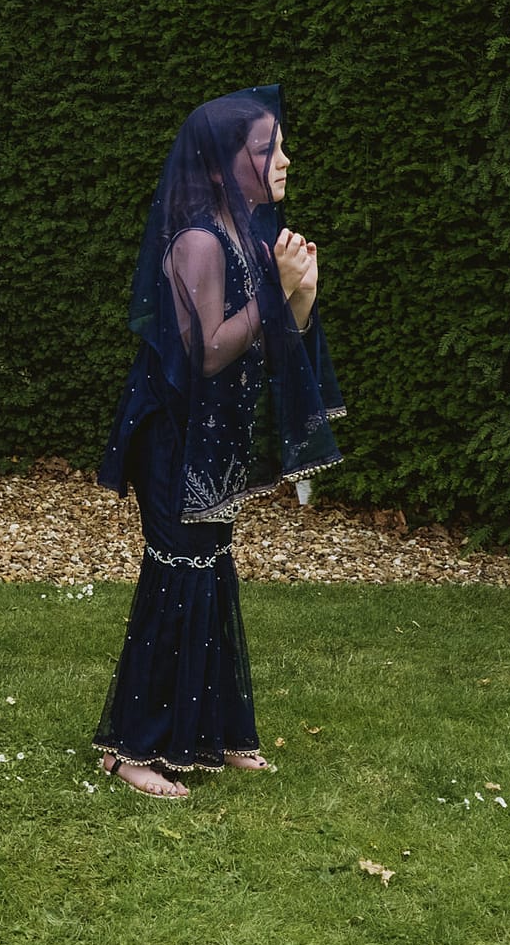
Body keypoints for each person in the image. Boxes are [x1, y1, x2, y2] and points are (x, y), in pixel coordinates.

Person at [94, 86, 345, 799]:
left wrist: (298, 291)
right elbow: (206, 354)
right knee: (177, 575)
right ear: (217, 166)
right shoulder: (202, 242)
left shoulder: (248, 233)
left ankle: (217, 733)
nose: (284, 160)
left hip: (212, 432)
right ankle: (130, 749)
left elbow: (266, 347)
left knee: (211, 569)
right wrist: (278, 291)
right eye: (267, 150)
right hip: (174, 436)